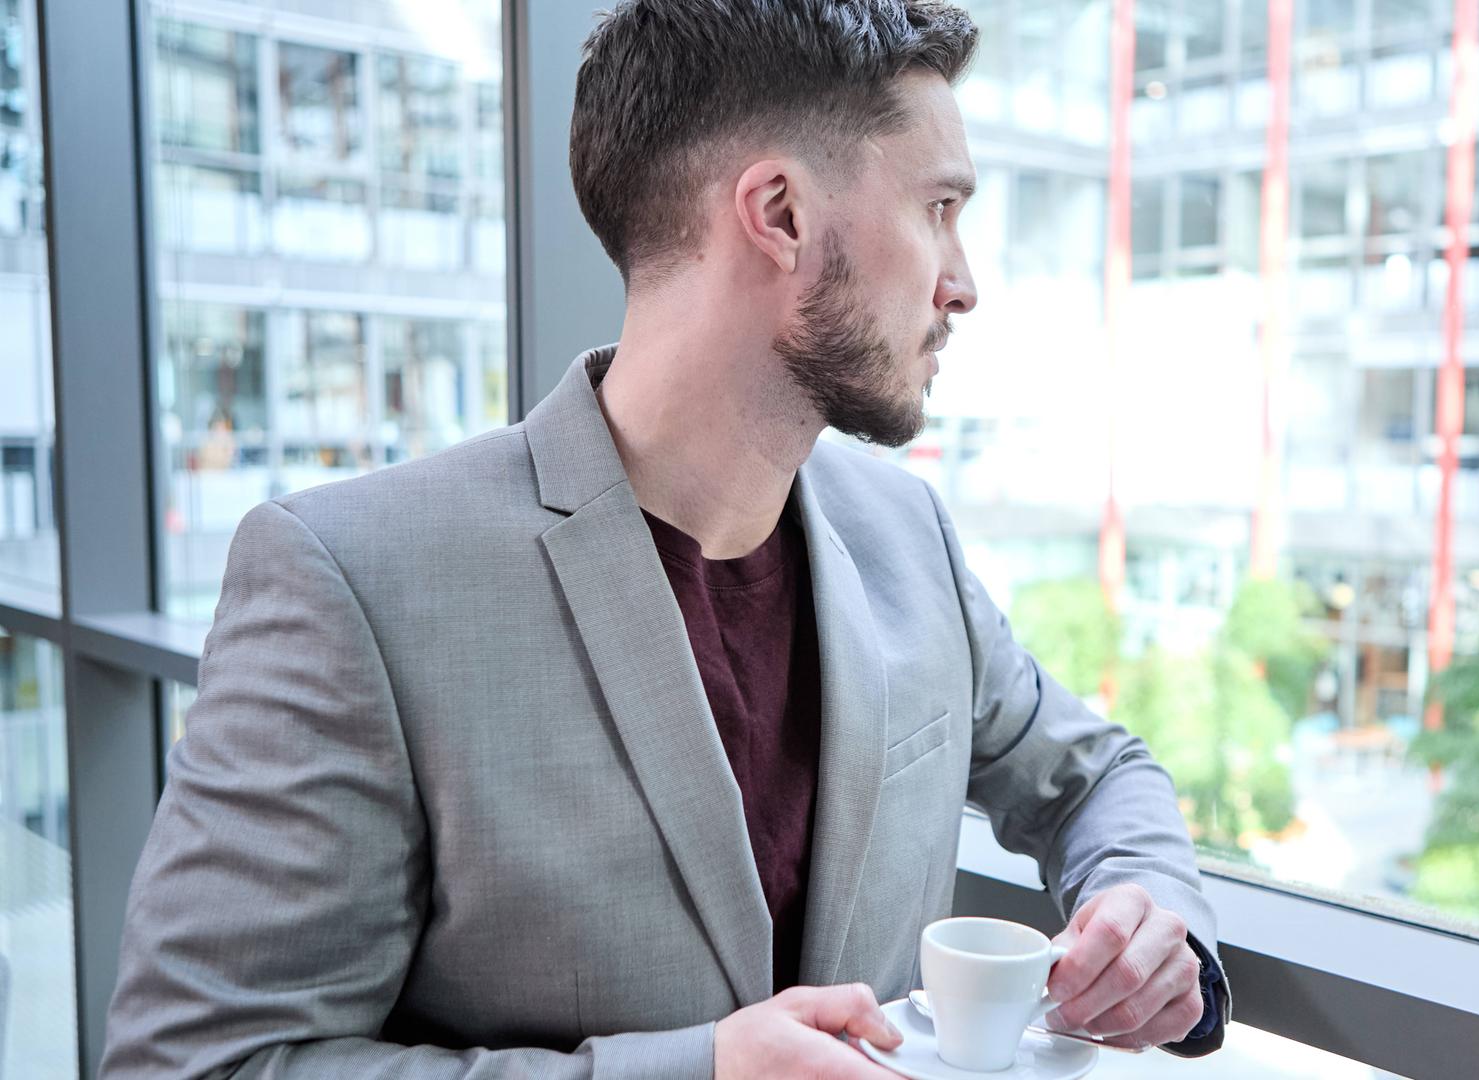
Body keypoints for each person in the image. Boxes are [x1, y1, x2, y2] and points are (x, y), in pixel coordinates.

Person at [100, 3, 1228, 1076]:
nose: (963, 282)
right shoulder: (352, 581)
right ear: (778, 214)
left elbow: (1094, 777)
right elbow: (200, 1062)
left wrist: (1147, 907)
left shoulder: (906, 533)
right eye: (939, 208)